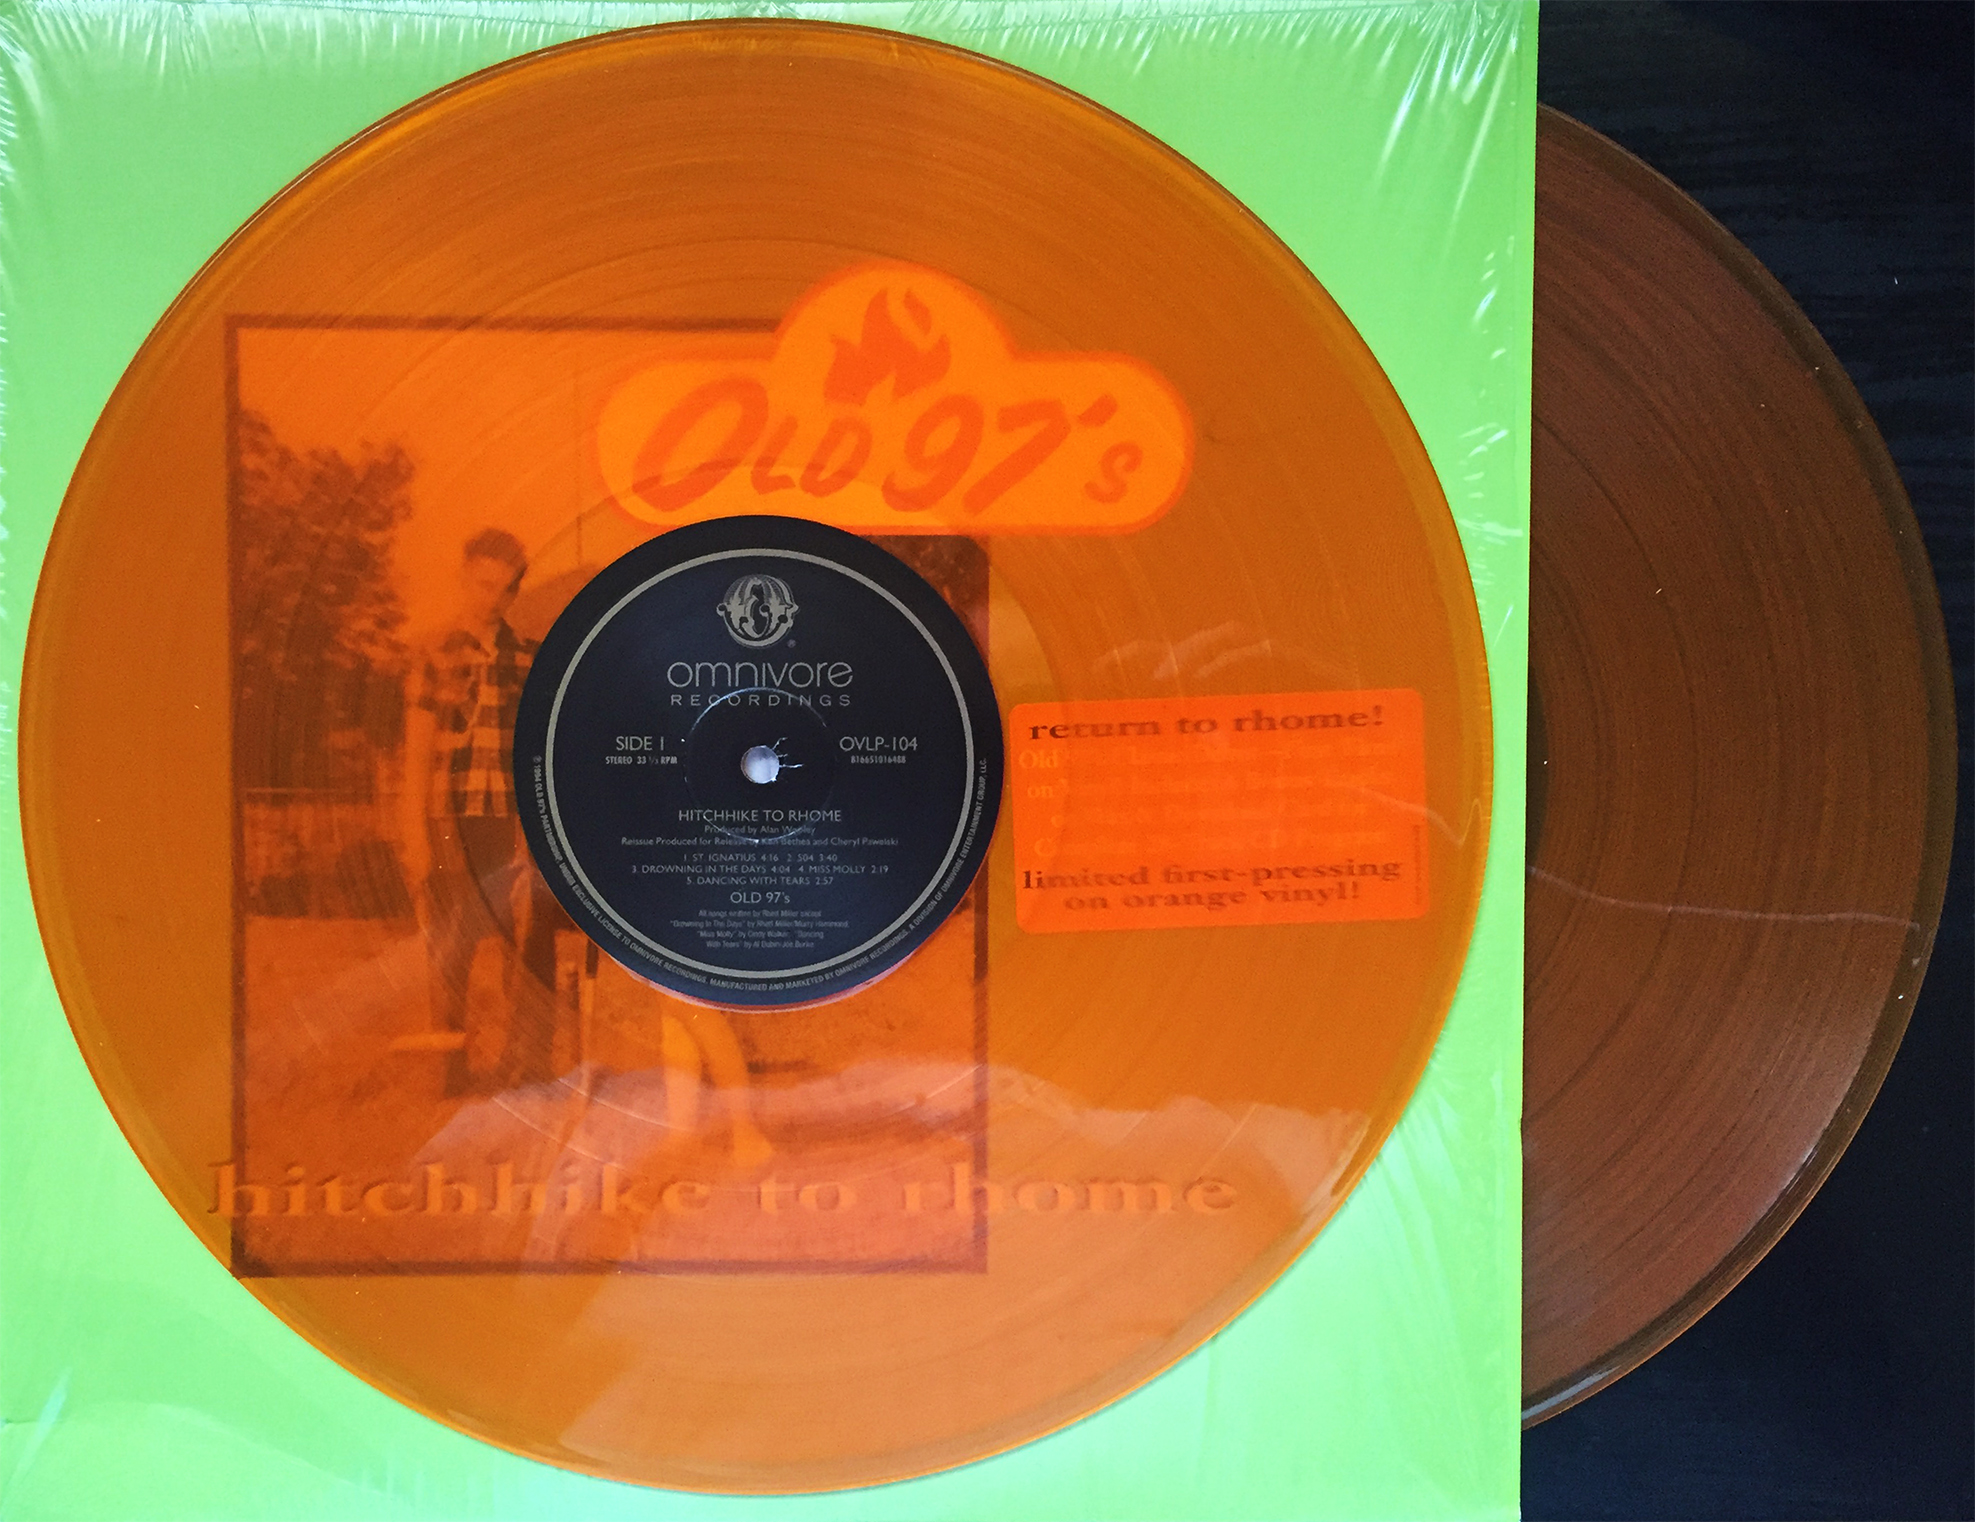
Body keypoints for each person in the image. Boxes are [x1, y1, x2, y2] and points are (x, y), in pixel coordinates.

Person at [399, 528, 558, 1095]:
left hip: (510, 823)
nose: (492, 599)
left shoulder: (528, 658)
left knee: (528, 940)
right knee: (451, 944)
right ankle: (451, 1067)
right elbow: (417, 755)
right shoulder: (433, 654)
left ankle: (530, 1065)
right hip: (450, 822)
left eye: (504, 589)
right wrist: (414, 836)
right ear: (464, 579)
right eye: (482, 585)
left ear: (515, 591)